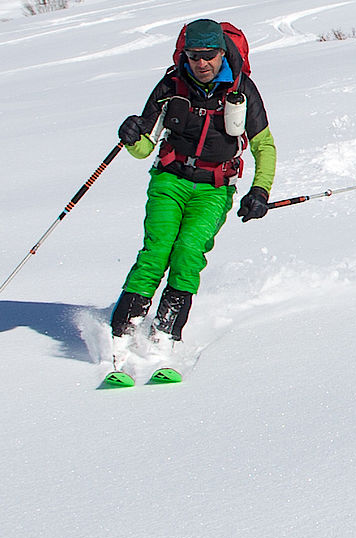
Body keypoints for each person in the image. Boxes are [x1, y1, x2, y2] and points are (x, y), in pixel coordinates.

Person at [109, 18, 276, 348]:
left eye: (208, 55)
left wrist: (260, 190)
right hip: (169, 181)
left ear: (221, 53)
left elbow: (264, 145)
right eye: (193, 55)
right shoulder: (172, 84)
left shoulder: (242, 88)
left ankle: (165, 335)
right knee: (156, 252)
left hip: (214, 189)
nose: (200, 63)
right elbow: (144, 148)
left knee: (187, 252)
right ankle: (120, 333)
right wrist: (130, 135)